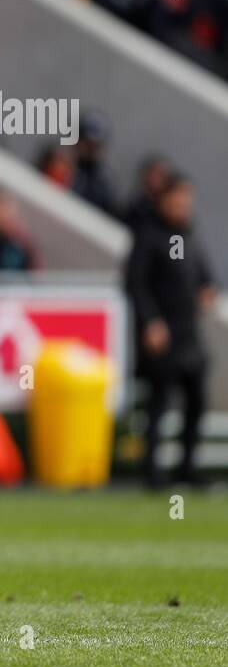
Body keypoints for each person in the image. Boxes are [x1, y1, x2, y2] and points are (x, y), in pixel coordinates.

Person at [124, 175, 217, 486]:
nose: (182, 208)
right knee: (159, 403)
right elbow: (135, 284)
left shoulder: (188, 237)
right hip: (163, 337)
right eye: (176, 201)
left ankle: (187, 466)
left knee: (197, 401)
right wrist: (150, 321)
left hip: (189, 334)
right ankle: (152, 470)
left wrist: (207, 290)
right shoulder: (149, 237)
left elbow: (205, 276)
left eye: (185, 202)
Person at [71, 112, 118, 217]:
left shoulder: (104, 184)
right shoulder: (58, 164)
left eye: (95, 146)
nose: (90, 149)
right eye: (87, 143)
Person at [124, 155, 171, 233]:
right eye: (153, 172)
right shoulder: (136, 203)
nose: (155, 178)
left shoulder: (162, 213)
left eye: (160, 174)